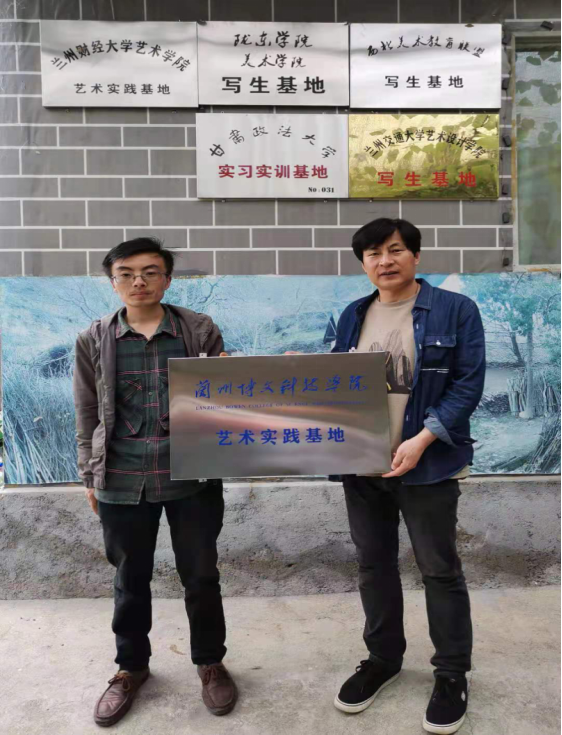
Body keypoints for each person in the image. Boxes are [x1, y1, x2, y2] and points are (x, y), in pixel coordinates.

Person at [73, 238, 237, 728]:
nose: (138, 282)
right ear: (113, 281)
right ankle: (131, 668)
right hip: (120, 475)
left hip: (191, 474)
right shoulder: (94, 338)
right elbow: (85, 411)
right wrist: (89, 475)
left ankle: (210, 662)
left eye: (149, 272)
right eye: (126, 273)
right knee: (129, 579)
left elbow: (223, 395)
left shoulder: (198, 330)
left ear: (166, 279)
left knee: (201, 575)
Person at [332, 218, 486, 734]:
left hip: (429, 465)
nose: (385, 261)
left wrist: (421, 440)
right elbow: (336, 383)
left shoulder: (455, 310)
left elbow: (466, 385)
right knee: (373, 566)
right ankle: (383, 660)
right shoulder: (353, 314)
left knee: (438, 570)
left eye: (395, 250)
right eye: (373, 254)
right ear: (363, 264)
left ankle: (451, 673)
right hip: (363, 465)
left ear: (415, 256)